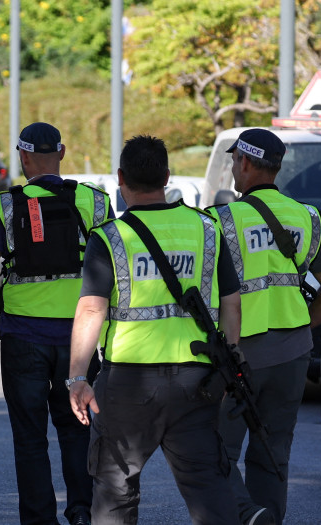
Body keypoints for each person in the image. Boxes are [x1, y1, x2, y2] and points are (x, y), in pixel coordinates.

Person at [68, 135, 242, 525]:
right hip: (196, 380)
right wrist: (231, 361)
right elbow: (232, 303)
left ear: (120, 178)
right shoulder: (207, 229)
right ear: (167, 176)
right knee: (208, 485)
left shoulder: (111, 237)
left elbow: (91, 309)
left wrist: (77, 376)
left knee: (115, 489)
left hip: (128, 385)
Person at [0, 122, 112, 525]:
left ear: (22, 156)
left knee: (30, 437)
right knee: (78, 430)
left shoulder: (6, 206)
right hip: (80, 339)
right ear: (63, 151)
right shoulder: (96, 202)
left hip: (24, 339)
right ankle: (83, 511)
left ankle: (39, 519)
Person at [208, 128, 321, 525]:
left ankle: (247, 514)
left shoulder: (221, 219)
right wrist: (302, 325)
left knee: (213, 449)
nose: (234, 168)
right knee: (273, 453)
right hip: (292, 354)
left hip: (238, 355)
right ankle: (266, 519)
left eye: (235, 160)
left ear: (246, 163)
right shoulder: (305, 217)